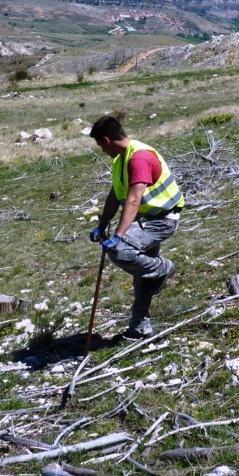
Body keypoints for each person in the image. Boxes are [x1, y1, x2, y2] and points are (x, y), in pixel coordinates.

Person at [88, 115, 183, 340]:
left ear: (106, 140)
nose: (101, 150)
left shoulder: (138, 158)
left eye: (100, 145)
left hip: (161, 220)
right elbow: (116, 194)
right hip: (144, 220)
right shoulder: (121, 158)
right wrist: (102, 224)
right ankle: (140, 328)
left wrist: (118, 236)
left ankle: (164, 268)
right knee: (143, 275)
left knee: (121, 251)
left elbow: (133, 200)